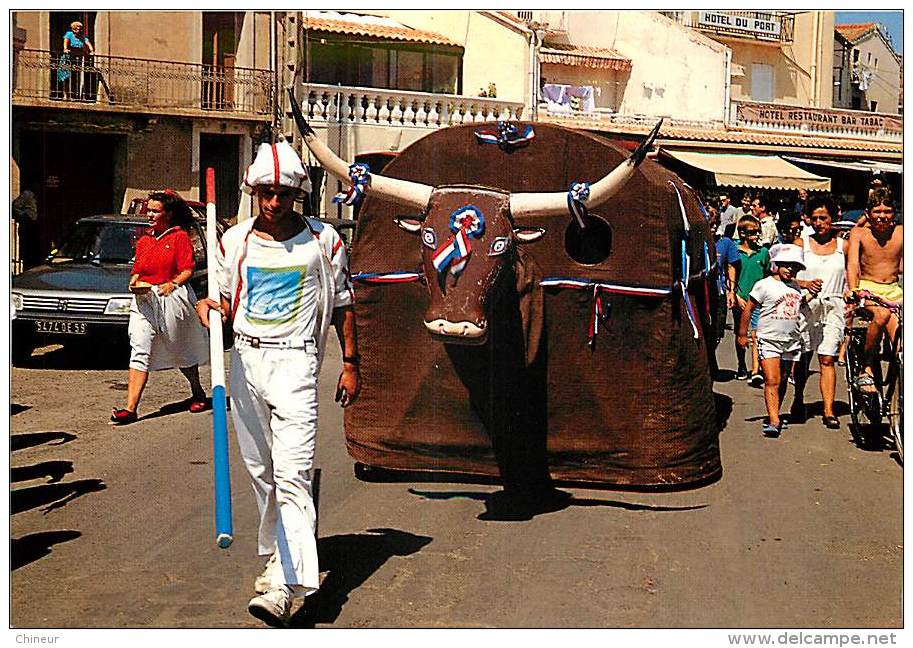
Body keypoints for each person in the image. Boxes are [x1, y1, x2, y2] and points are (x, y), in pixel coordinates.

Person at [196, 140, 360, 627]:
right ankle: (280, 558)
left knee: (290, 473)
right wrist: (210, 310)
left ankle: (285, 586)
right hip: (246, 365)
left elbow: (345, 304)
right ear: (252, 192)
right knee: (262, 472)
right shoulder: (234, 242)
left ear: (297, 195)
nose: (273, 203)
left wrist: (351, 362)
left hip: (297, 365)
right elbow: (223, 302)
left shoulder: (324, 242)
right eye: (265, 193)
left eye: (283, 194)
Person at [111, 191, 210, 424]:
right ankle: (130, 408)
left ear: (168, 214)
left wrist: (172, 283)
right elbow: (138, 268)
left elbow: (187, 269)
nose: (150, 215)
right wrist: (134, 280)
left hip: (172, 298)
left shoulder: (179, 237)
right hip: (144, 299)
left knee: (179, 347)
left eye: (155, 211)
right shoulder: (144, 239)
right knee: (139, 346)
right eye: (149, 210)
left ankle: (197, 391)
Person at [737, 244, 814, 437]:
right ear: (776, 264)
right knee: (772, 379)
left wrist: (812, 293)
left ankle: (776, 411)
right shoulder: (764, 284)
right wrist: (742, 333)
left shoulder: (796, 287)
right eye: (786, 265)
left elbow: (797, 305)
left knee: (783, 380)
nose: (790, 269)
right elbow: (749, 308)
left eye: (794, 267)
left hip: (791, 340)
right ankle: (774, 420)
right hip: (768, 339)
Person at [791, 195, 846, 428]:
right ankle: (798, 398)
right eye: (814, 218)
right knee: (803, 357)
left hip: (834, 307)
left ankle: (828, 410)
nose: (818, 222)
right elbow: (784, 274)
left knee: (827, 357)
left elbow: (855, 274)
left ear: (833, 218)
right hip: (806, 305)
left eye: (823, 218)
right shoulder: (800, 243)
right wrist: (804, 284)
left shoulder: (845, 245)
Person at [845, 187, 903, 395]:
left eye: (887, 211)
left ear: (893, 213)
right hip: (868, 289)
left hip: (894, 291)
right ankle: (866, 368)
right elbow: (852, 264)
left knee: (900, 344)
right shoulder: (859, 233)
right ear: (868, 213)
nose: (882, 216)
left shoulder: (901, 232)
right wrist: (853, 290)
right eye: (877, 211)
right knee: (881, 314)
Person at [732, 215, 770, 384]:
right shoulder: (735, 251)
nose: (756, 235)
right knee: (740, 334)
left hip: (758, 301)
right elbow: (729, 274)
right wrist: (735, 295)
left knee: (756, 334)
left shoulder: (763, 252)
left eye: (758, 232)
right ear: (742, 233)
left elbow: (768, 275)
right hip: (740, 298)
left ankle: (756, 370)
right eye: (752, 232)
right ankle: (741, 364)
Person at [708, 203, 740, 379]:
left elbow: (731, 266)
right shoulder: (696, 241)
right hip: (699, 293)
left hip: (718, 292)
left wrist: (731, 291)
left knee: (718, 331)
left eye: (714, 223)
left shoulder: (725, 242)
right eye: (708, 222)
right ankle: (709, 365)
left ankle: (710, 360)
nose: (711, 227)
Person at [60, 21, 94, 101]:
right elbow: (66, 42)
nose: (79, 30)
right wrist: (65, 49)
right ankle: (66, 95)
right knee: (66, 76)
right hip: (68, 57)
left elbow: (88, 43)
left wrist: (91, 51)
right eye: (78, 28)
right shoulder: (69, 34)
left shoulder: (82, 37)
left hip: (77, 58)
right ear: (73, 29)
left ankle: (75, 95)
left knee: (75, 76)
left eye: (80, 28)